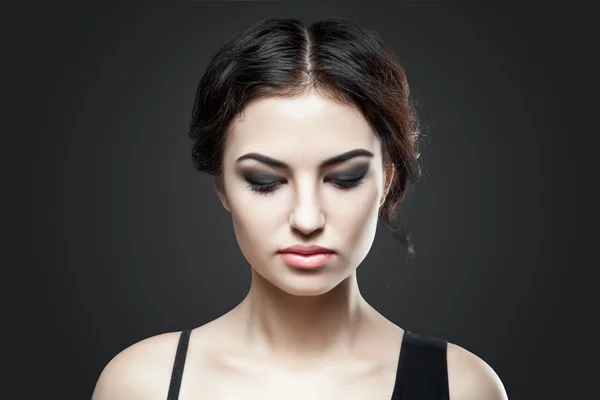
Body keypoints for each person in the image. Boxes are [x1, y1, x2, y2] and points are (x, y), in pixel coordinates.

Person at [92, 17, 508, 400]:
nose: (307, 220)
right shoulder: (141, 384)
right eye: (265, 182)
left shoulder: (462, 387)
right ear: (222, 185)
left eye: (344, 178)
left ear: (386, 180)